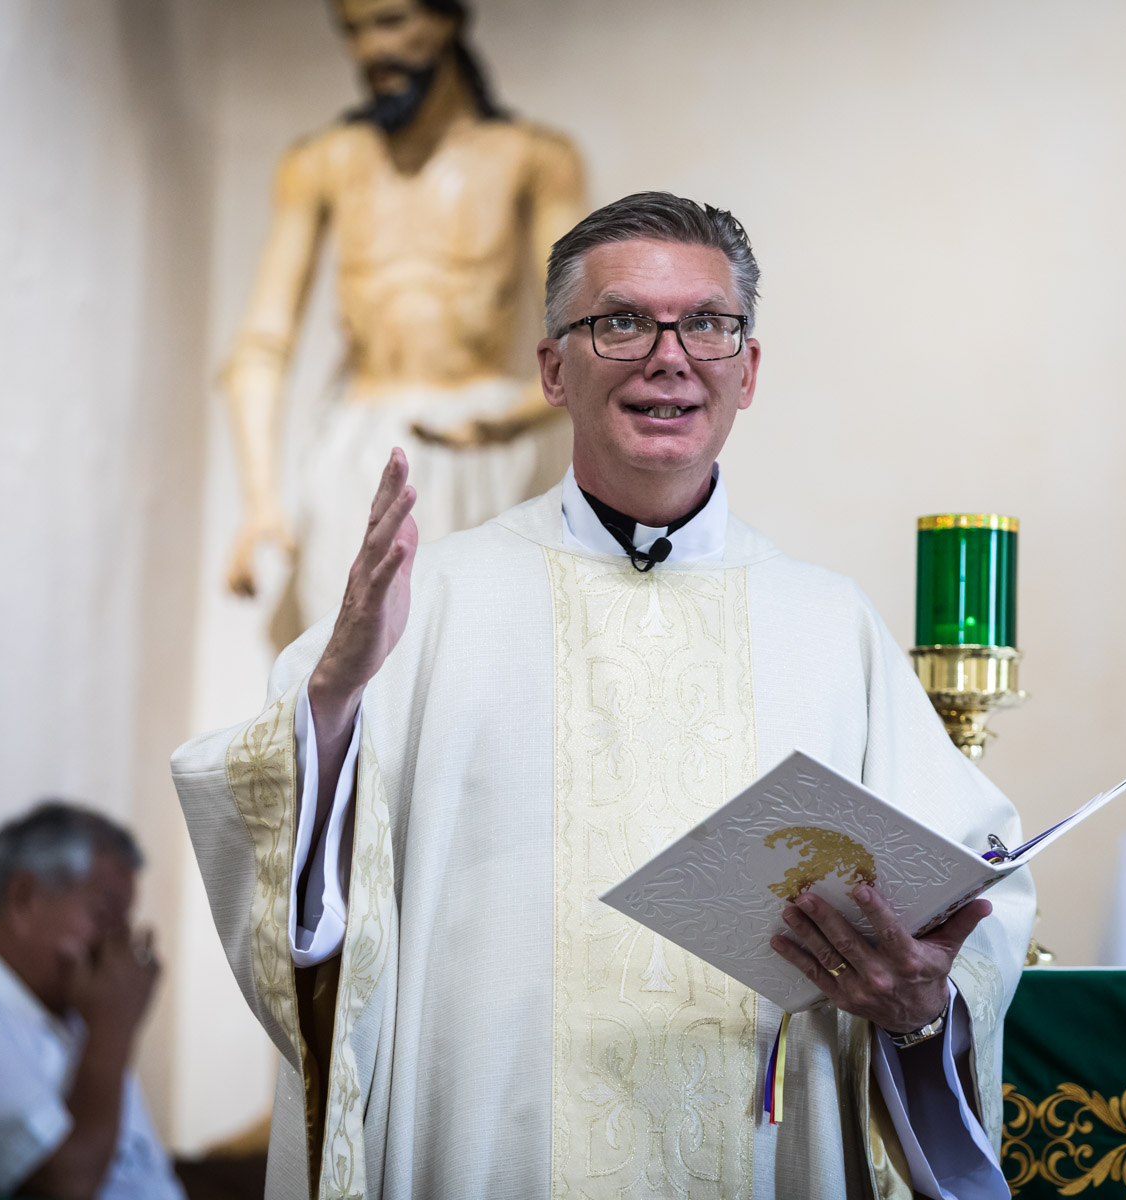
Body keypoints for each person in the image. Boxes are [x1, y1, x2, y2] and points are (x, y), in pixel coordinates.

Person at [174, 192, 1034, 1199]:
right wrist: (332, 696)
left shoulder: (829, 625)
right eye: (620, 321)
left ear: (747, 370)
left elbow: (976, 897)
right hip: (494, 1148)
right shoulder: (432, 603)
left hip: (767, 1147)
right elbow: (291, 875)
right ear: (553, 368)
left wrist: (926, 998)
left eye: (708, 324)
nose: (667, 356)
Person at [218, 0, 585, 641]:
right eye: (352, 29)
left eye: (390, 21)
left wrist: (514, 418)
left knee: (481, 662)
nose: (368, 51)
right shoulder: (322, 163)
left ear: (447, 19)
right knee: (351, 668)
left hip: (486, 445)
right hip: (361, 445)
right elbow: (262, 344)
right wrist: (259, 500)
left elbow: (588, 330)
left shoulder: (532, 158)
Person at [0, 802, 181, 1199]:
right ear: (23, 898)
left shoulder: (65, 1000)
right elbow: (66, 1184)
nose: (115, 949)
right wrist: (112, 1030)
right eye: (103, 918)